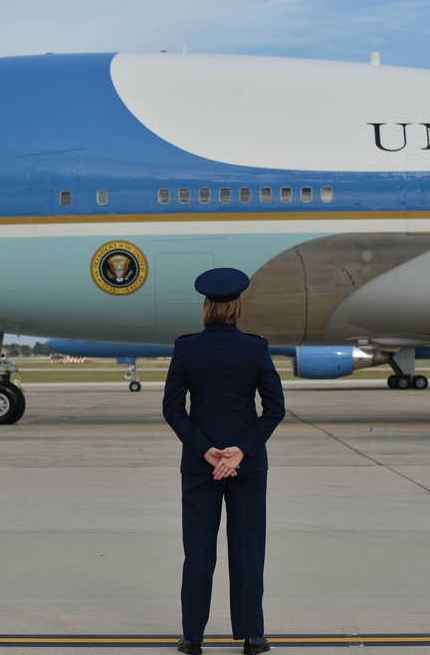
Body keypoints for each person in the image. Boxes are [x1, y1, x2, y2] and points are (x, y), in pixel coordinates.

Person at [162, 267, 285, 655]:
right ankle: (252, 635)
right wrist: (240, 450)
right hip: (246, 466)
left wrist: (206, 449)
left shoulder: (186, 348)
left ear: (206, 308)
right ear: (237, 307)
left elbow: (172, 410)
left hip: (200, 465)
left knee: (198, 550)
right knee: (247, 547)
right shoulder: (256, 347)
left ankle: (192, 636)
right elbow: (274, 409)